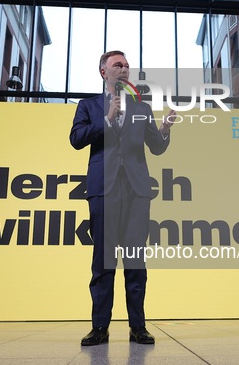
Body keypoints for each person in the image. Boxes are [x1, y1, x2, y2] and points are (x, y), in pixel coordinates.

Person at [69, 50, 176, 346]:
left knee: (135, 261)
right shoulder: (88, 105)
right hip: (104, 190)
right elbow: (76, 139)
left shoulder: (142, 107)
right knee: (103, 262)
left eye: (128, 66)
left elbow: (155, 146)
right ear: (104, 71)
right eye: (118, 65)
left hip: (137, 191)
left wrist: (165, 130)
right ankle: (99, 328)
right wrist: (107, 118)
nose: (125, 69)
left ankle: (138, 327)